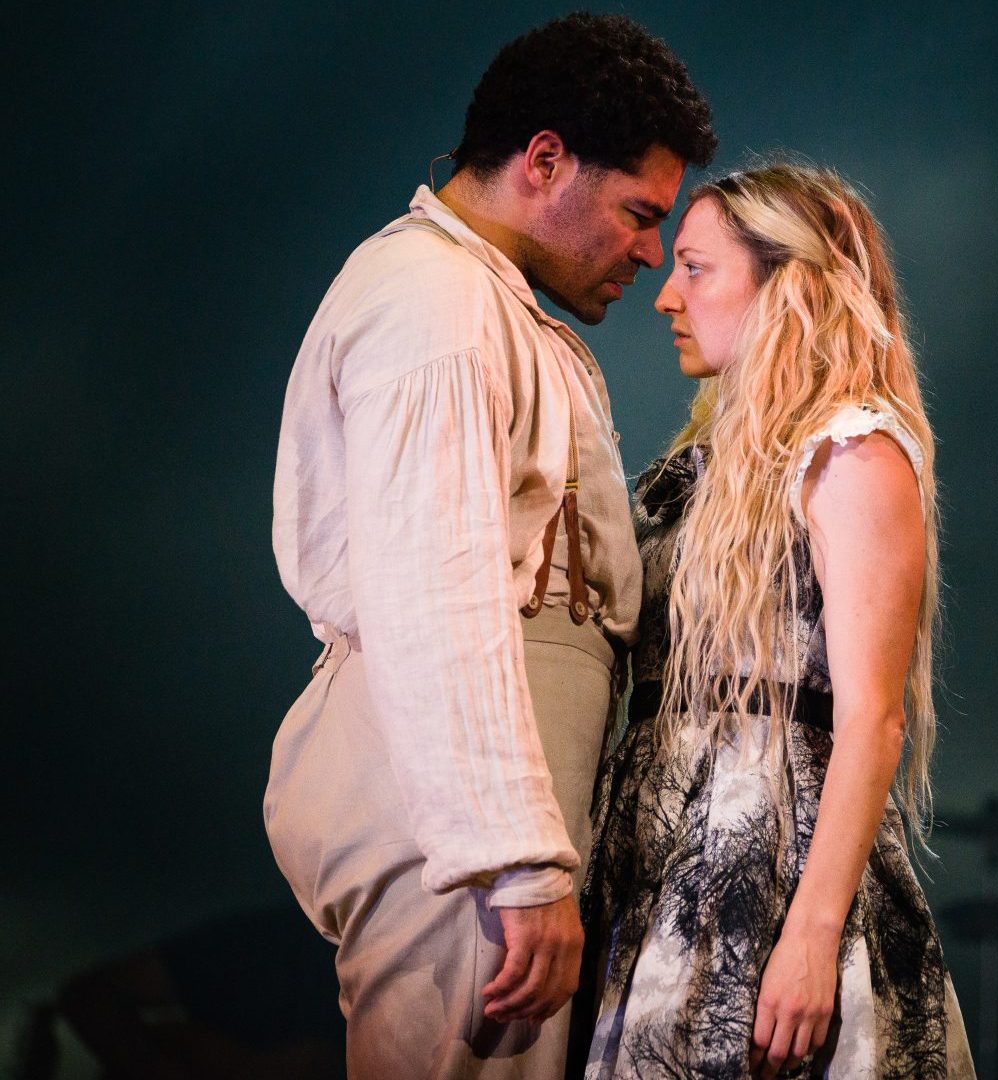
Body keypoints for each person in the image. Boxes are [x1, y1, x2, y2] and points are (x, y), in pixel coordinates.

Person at [263, 14, 715, 1078]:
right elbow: (435, 586)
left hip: (474, 793)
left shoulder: (490, 305)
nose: (652, 252)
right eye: (639, 214)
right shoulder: (440, 303)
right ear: (544, 160)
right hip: (452, 808)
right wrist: (512, 864)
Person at [573, 164, 975, 1079]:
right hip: (658, 864)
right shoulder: (711, 467)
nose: (667, 296)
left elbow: (874, 718)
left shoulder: (853, 452)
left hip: (771, 865)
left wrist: (810, 936)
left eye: (697, 268)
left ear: (781, 283)